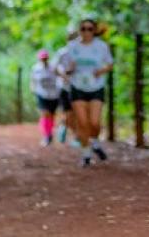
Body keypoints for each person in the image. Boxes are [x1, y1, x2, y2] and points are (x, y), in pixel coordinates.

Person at [63, 18, 113, 167]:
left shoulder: (101, 46)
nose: (86, 32)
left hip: (96, 86)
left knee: (94, 122)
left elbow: (110, 64)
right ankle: (86, 154)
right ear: (79, 31)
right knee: (83, 122)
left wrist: (101, 71)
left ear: (94, 30)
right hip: (77, 86)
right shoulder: (72, 46)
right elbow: (67, 65)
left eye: (90, 29)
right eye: (83, 29)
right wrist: (70, 70)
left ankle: (95, 142)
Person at [52, 30, 78, 144]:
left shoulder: (81, 53)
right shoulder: (62, 53)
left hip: (78, 87)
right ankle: (64, 128)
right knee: (68, 112)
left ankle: (73, 134)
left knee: (76, 112)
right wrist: (64, 75)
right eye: (72, 38)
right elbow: (54, 68)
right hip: (64, 87)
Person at [30, 50, 60, 146]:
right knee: (45, 113)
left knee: (51, 115)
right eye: (42, 58)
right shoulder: (36, 68)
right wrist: (33, 89)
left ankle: (49, 133)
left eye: (45, 58)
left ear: (48, 58)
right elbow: (33, 80)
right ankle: (46, 135)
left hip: (54, 95)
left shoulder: (53, 67)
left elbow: (61, 76)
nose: (44, 60)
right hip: (41, 94)